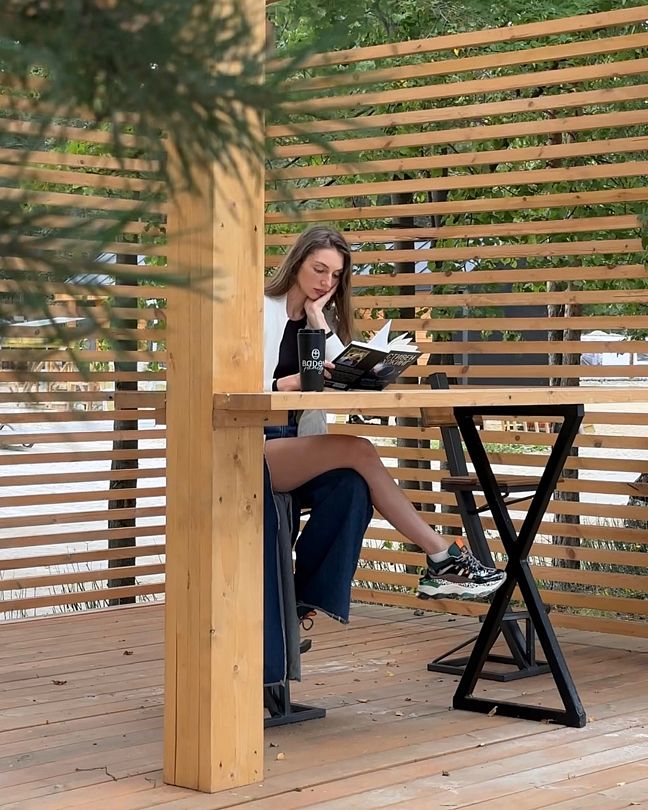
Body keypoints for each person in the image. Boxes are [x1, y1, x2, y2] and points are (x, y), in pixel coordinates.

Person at [263, 225, 505, 601]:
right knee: (359, 450)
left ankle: (303, 600)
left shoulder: (317, 320)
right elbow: (232, 388)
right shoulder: (260, 310)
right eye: (319, 269)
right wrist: (287, 384)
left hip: (297, 444)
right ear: (296, 264)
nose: (326, 282)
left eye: (336, 275)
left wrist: (318, 318)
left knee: (352, 487)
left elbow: (342, 376)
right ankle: (441, 555)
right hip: (253, 442)